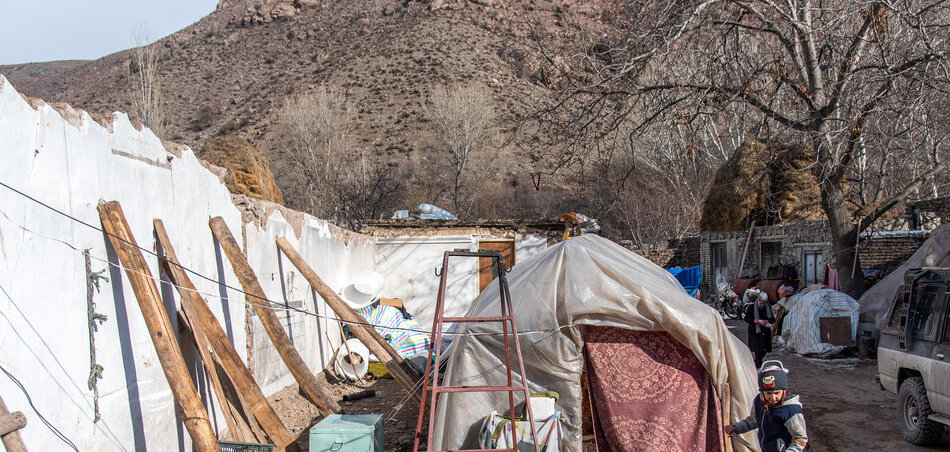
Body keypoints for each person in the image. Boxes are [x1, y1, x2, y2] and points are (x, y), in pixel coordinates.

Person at [724, 360, 808, 452]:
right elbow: (753, 420)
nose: (773, 397)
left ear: (784, 391)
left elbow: (800, 439)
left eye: (777, 393)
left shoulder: (791, 410)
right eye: (768, 393)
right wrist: (736, 427)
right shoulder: (759, 401)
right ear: (762, 392)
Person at [744, 289, 774, 368]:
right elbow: (746, 318)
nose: (761, 304)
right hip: (755, 332)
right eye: (760, 303)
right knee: (758, 350)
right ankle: (757, 366)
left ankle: (755, 363)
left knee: (764, 350)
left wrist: (767, 321)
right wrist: (754, 320)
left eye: (763, 303)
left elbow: (772, 319)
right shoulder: (751, 308)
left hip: (765, 332)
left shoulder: (767, 308)